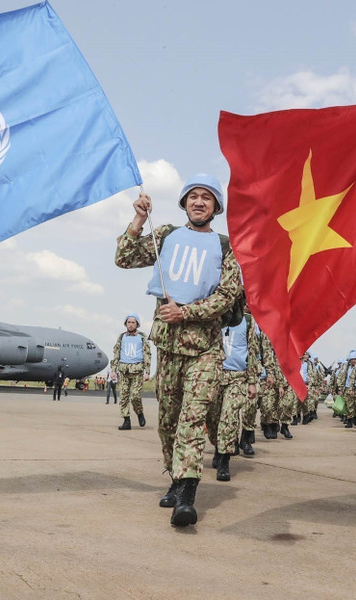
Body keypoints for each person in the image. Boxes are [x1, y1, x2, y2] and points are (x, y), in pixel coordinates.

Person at [114, 174, 243, 527]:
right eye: (193, 196)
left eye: (207, 198)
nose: (199, 202)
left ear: (217, 207)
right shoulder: (166, 235)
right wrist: (139, 219)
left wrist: (186, 312)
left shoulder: (226, 246)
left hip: (205, 350)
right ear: (184, 202)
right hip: (168, 347)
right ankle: (174, 476)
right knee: (169, 421)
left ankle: (187, 494)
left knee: (192, 419)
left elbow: (227, 295)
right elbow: (124, 258)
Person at [207, 298, 259, 481]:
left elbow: (252, 351)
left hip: (238, 376)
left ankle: (224, 460)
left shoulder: (248, 321)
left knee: (229, 417)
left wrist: (252, 381)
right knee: (212, 418)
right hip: (215, 375)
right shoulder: (214, 318)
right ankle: (217, 446)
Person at [111, 313, 152, 430]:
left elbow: (147, 354)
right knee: (123, 397)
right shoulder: (121, 337)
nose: (130, 325)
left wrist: (147, 371)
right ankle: (126, 420)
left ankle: (139, 413)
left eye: (133, 322)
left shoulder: (142, 337)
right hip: (124, 371)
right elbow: (116, 353)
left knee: (135, 395)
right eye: (129, 322)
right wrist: (113, 369)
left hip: (137, 371)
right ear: (126, 323)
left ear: (137, 324)